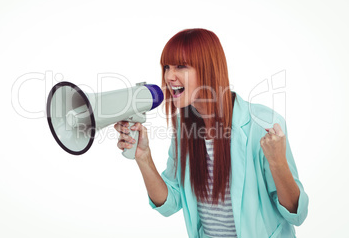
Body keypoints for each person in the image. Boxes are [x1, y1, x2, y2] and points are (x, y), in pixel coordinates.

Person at [114, 28, 308, 238]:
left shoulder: (263, 124)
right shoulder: (183, 128)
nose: (169, 76)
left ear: (208, 68)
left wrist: (278, 161)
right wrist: (144, 157)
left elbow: (296, 215)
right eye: (166, 67)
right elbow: (170, 204)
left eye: (181, 66)